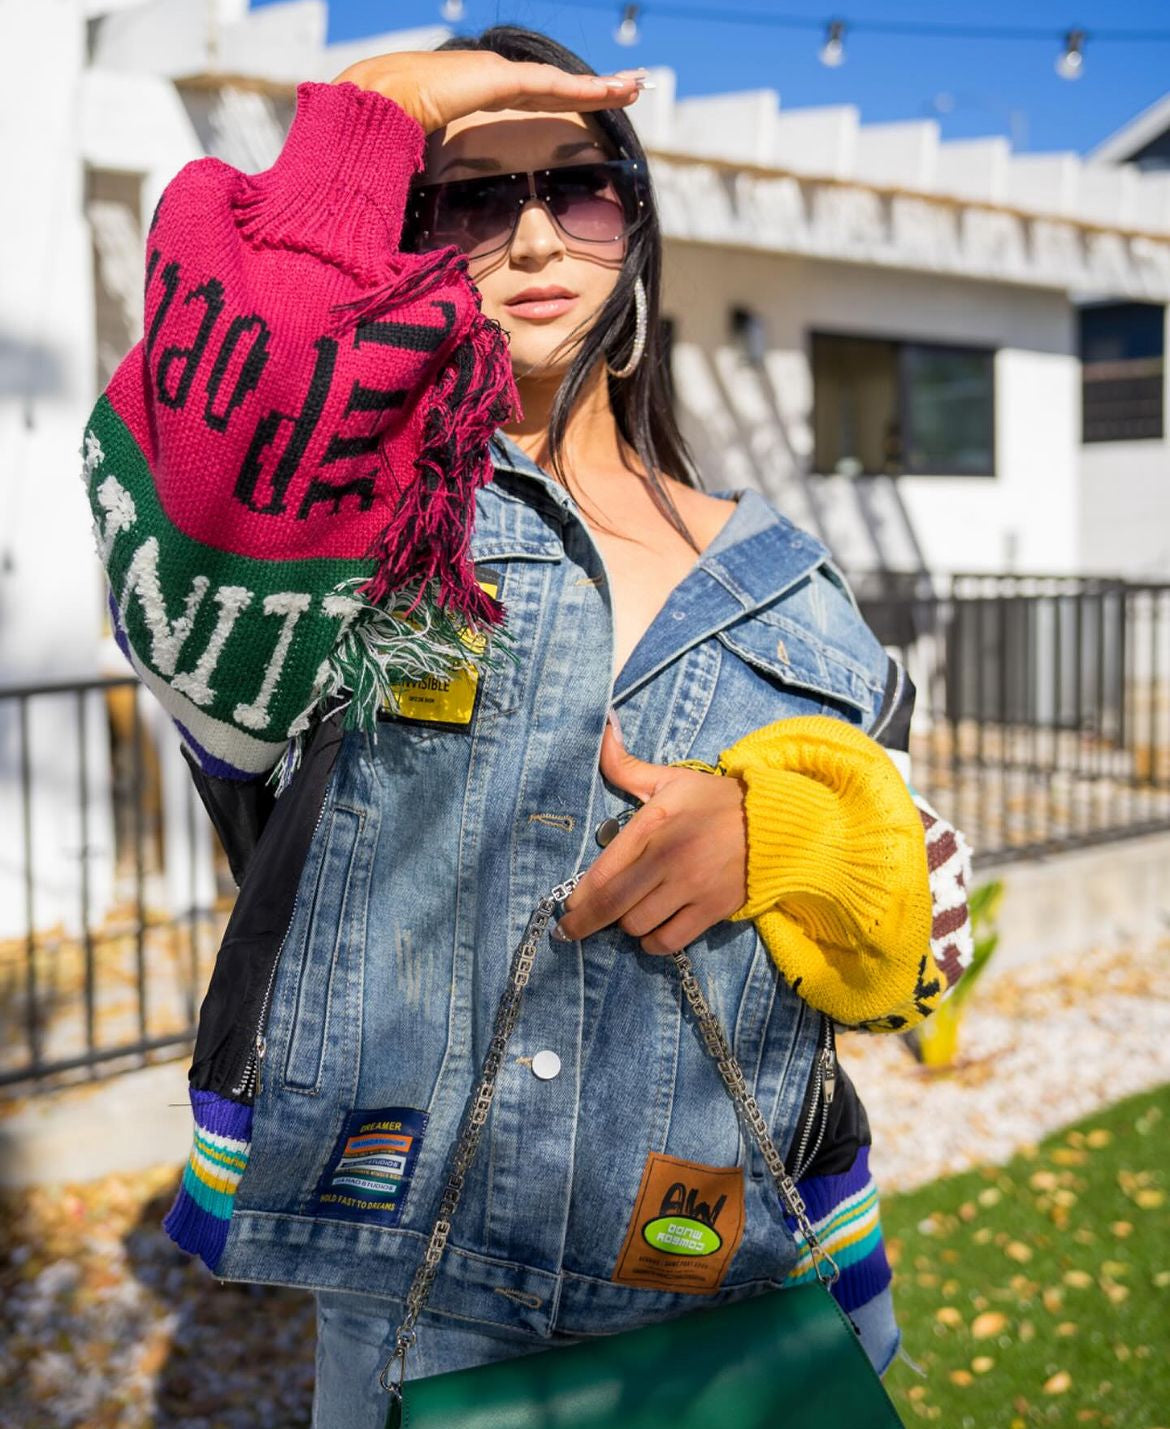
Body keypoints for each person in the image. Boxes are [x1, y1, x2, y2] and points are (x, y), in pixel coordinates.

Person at [80, 24, 973, 1429]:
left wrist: (797, 832)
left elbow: (932, 951)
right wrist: (357, 136)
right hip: (424, 1333)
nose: (536, 233)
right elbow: (214, 455)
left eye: (582, 186)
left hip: (755, 1303)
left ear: (638, 221)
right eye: (468, 200)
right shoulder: (336, 539)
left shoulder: (796, 584)